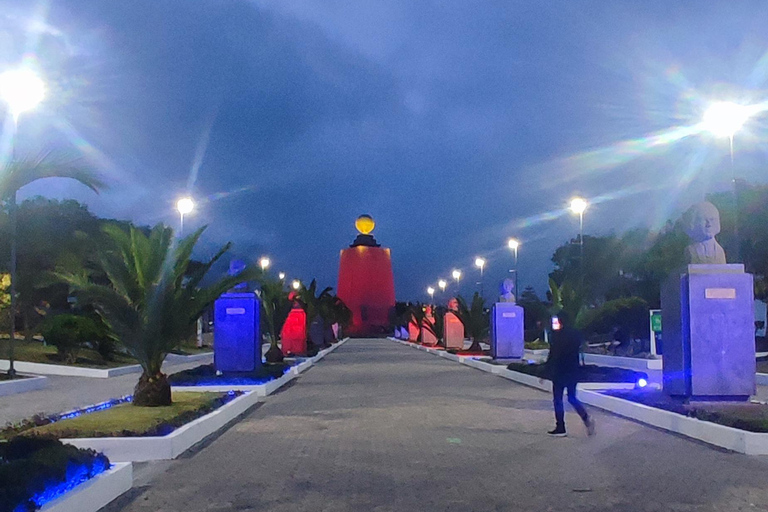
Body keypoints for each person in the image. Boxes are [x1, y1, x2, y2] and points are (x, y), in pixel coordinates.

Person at [542, 310, 595, 437]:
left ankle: (561, 427)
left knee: (558, 399)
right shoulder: (575, 333)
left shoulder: (557, 335)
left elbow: (554, 354)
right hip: (573, 370)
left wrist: (545, 371)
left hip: (560, 371)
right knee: (572, 397)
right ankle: (586, 418)